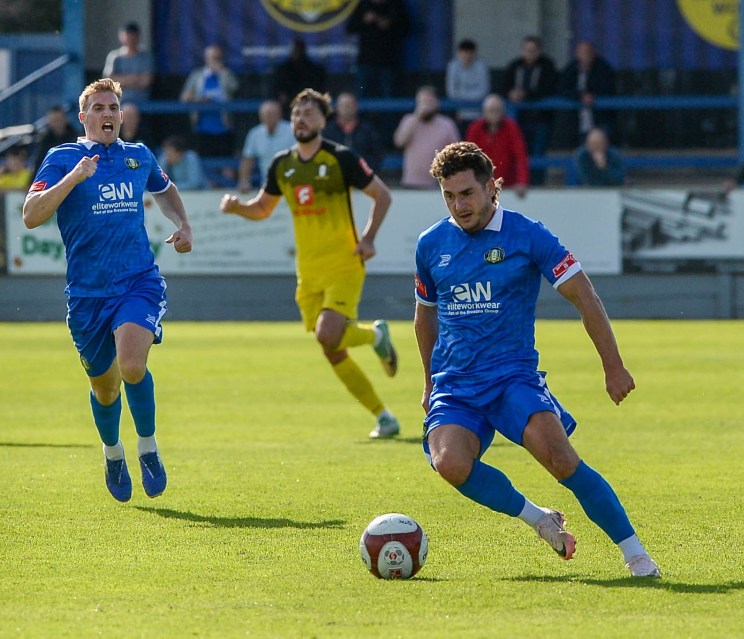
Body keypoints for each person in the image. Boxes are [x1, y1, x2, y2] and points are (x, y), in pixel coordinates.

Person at [415, 141, 660, 578]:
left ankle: (635, 552)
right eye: (448, 196)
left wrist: (613, 365)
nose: (458, 205)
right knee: (449, 463)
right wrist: (429, 382)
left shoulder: (529, 236)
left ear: (492, 188)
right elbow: (424, 320)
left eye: (467, 193)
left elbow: (583, 295)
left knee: (562, 460)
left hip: (513, 379)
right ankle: (539, 519)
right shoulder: (431, 245)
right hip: (456, 384)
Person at [21, 78, 193, 502]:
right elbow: (30, 216)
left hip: (138, 281)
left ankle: (148, 448)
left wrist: (183, 225)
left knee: (132, 365)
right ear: (83, 118)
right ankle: (113, 453)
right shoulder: (62, 158)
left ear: (121, 114)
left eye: (113, 107)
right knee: (105, 387)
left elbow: (164, 188)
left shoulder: (138, 156)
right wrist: (74, 179)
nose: (107, 114)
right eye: (97, 108)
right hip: (86, 296)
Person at [219, 89, 401, 439]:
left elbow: (383, 194)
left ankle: (377, 334)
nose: (301, 118)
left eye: (309, 113)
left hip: (344, 263)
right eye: (297, 113)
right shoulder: (281, 164)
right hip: (308, 271)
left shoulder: (341, 158)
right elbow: (262, 208)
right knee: (332, 351)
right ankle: (384, 417)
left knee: (328, 334)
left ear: (323, 120)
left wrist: (368, 238)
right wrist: (237, 207)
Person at [500, 36, 558, 182]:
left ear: (539, 51)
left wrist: (525, 95)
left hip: (541, 120)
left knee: (538, 153)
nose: (530, 53)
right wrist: (510, 93)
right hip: (519, 120)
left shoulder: (547, 66)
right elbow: (503, 87)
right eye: (527, 50)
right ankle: (519, 181)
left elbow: (549, 88)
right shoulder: (515, 66)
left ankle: (537, 184)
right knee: (519, 152)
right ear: (522, 51)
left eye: (533, 50)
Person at [393, 86, 460, 188]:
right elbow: (399, 142)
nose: (425, 106)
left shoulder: (447, 125)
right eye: (422, 102)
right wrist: (416, 117)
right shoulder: (409, 120)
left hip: (438, 185)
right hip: (410, 182)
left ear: (437, 103)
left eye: (429, 102)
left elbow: (456, 154)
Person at [179, 44, 239, 158]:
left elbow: (235, 88)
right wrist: (199, 99)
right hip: (202, 128)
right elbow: (184, 97)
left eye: (218, 58)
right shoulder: (197, 75)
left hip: (224, 127)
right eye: (213, 57)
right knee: (203, 163)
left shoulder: (227, 74)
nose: (215, 61)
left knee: (226, 164)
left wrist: (222, 72)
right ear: (206, 58)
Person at [465, 93, 529, 197]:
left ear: (503, 111)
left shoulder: (511, 128)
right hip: (482, 185)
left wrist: (522, 182)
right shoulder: (475, 129)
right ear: (484, 112)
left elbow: (520, 156)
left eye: (497, 110)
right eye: (491, 111)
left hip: (507, 185)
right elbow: (469, 158)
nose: (494, 114)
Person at [556, 41, 617, 149]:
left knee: (602, 150)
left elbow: (608, 87)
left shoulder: (603, 68)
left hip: (601, 117)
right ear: (577, 54)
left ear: (593, 53)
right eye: (582, 53)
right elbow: (562, 88)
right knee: (582, 152)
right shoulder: (571, 69)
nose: (585, 56)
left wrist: (593, 96)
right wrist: (580, 96)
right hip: (578, 120)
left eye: (588, 53)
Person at [346, 0, 410, 98]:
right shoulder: (364, 4)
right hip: (365, 60)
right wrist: (364, 20)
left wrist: (388, 23)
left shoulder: (395, 5)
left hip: (388, 62)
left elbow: (406, 28)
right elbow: (350, 28)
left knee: (389, 98)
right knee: (360, 96)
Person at [237, 99, 295, 193]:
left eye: (272, 114)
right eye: (266, 115)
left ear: (279, 115)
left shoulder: (292, 132)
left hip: (292, 185)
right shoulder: (254, 134)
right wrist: (244, 181)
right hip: (267, 186)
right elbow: (247, 159)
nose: (269, 118)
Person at [322, 90, 384, 174]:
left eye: (349, 105)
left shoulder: (367, 131)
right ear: (336, 107)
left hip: (362, 178)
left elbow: (377, 156)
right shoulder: (327, 132)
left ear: (356, 106)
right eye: (343, 105)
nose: (346, 108)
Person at [102, 22, 154, 108]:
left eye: (133, 35)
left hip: (139, 99)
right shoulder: (114, 56)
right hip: (116, 98)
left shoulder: (146, 57)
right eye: (127, 35)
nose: (130, 39)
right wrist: (134, 78)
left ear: (138, 36)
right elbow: (109, 82)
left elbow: (145, 82)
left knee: (129, 110)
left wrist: (121, 80)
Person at [445, 39, 490, 134]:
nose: (467, 56)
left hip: (478, 114)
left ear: (474, 54)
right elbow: (451, 92)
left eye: (470, 53)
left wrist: (462, 96)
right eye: (464, 53)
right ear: (458, 53)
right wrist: (469, 97)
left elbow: (483, 92)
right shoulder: (453, 66)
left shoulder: (481, 66)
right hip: (458, 113)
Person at [273, 38, 327, 110]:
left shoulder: (314, 69)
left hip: (310, 103)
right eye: (295, 50)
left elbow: (319, 89)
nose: (297, 53)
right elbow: (278, 89)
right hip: (288, 105)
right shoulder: (282, 69)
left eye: (299, 50)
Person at [33, 105, 78, 174]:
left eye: (59, 120)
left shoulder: (75, 137)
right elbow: (39, 162)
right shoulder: (45, 139)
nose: (57, 123)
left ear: (65, 119)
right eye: (54, 120)